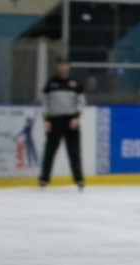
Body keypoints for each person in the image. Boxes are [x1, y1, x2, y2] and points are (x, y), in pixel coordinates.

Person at [39, 57, 85, 190]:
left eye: (65, 64)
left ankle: (79, 180)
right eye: (60, 65)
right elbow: (44, 103)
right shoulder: (50, 83)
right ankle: (44, 179)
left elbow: (81, 102)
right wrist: (46, 119)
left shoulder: (75, 83)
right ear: (57, 66)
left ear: (69, 66)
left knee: (74, 152)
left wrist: (76, 117)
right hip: (54, 121)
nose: (63, 67)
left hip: (71, 121)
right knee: (49, 152)